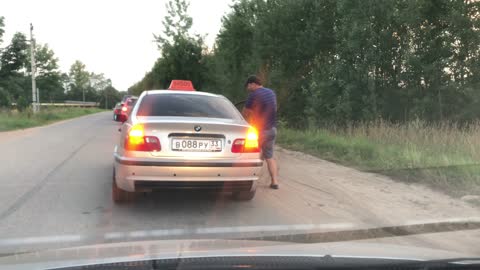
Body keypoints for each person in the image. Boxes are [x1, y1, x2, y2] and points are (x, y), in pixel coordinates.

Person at [242, 75, 280, 189]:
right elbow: (274, 108)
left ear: (253, 84)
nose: (248, 88)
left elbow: (245, 113)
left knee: (248, 155)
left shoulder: (253, 95)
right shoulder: (271, 92)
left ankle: (246, 181)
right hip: (272, 130)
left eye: (248, 86)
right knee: (269, 157)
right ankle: (274, 182)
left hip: (259, 131)